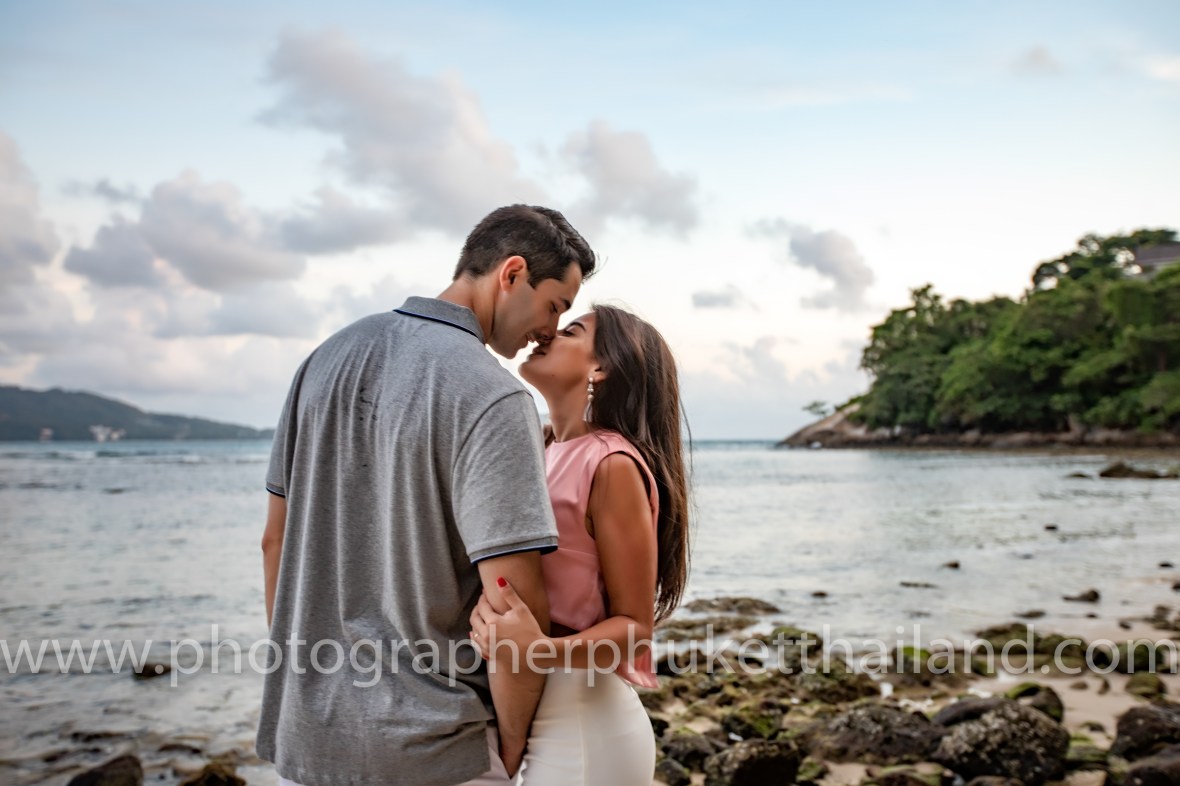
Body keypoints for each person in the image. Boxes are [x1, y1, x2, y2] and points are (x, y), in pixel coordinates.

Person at [258, 204, 596, 786]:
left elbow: (274, 543)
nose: (549, 328)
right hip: (436, 750)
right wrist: (513, 744)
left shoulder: (324, 359)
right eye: (554, 306)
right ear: (511, 273)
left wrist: (307, 681)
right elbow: (513, 599)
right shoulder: (494, 396)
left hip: (308, 742)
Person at [469, 304, 691, 785]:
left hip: (584, 722)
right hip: (526, 706)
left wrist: (540, 650)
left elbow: (636, 628)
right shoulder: (540, 448)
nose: (546, 333)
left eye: (570, 330)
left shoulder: (611, 464)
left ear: (600, 368)